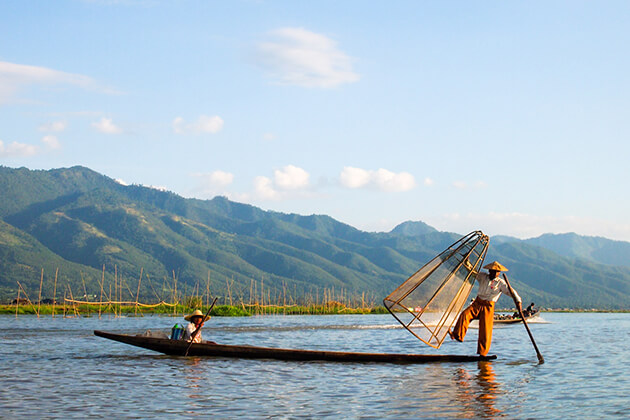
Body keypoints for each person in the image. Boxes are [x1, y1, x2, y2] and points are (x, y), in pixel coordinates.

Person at [449, 261, 522, 356]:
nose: (495, 273)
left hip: (489, 306)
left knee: (485, 330)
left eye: (497, 271)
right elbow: (472, 271)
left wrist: (518, 303)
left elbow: (512, 292)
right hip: (478, 303)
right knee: (465, 315)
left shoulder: (501, 283)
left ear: (499, 273)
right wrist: (467, 262)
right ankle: (457, 335)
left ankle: (482, 353)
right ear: (489, 271)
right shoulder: (482, 276)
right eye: (493, 271)